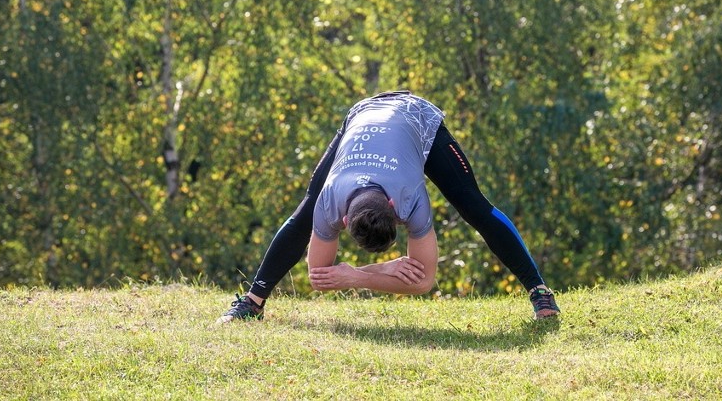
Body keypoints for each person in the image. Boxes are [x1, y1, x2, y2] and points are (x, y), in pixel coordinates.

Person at [216, 91, 559, 323]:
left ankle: (540, 292)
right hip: (364, 113)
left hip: (417, 117)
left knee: (473, 207)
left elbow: (424, 280)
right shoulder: (330, 197)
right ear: (346, 218)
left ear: (395, 207)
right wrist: (372, 273)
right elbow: (319, 278)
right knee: (304, 213)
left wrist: (354, 276)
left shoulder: (411, 196)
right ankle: (252, 301)